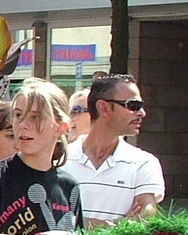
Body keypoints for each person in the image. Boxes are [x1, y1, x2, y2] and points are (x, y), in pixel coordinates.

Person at [0, 79, 82, 235]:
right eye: (18, 115)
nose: (23, 125)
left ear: (60, 127)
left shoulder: (69, 187)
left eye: (35, 117)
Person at [66, 73, 165, 226]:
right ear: (103, 108)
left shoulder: (144, 163)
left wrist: (78, 224)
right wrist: (116, 225)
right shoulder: (60, 159)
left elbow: (146, 218)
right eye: (133, 105)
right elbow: (51, 219)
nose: (141, 113)